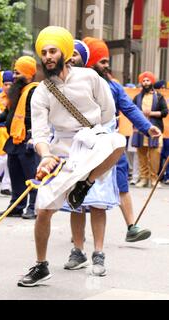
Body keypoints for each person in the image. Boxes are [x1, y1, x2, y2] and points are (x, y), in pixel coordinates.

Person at [17, 26, 127, 287]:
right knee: (43, 209)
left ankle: (85, 184)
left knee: (117, 141)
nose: (48, 56)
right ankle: (41, 266)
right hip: (61, 151)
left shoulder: (90, 77)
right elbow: (41, 134)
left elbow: (108, 114)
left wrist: (92, 138)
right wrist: (45, 156)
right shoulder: (41, 91)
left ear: (65, 52)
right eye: (43, 52)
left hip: (93, 143)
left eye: (53, 51)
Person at [82, 38, 161, 242]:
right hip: (86, 145)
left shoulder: (114, 87)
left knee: (121, 181)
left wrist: (147, 127)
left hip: (112, 145)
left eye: (107, 61)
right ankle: (78, 234)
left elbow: (129, 108)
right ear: (90, 62)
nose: (107, 65)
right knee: (82, 186)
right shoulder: (78, 85)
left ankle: (132, 227)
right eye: (102, 61)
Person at [0, 56, 40, 219]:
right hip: (14, 140)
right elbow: (8, 112)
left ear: (28, 74)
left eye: (18, 73)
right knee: (15, 175)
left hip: (27, 140)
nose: (14, 76)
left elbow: (39, 116)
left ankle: (32, 207)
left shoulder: (34, 91)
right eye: (14, 72)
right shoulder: (16, 91)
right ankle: (16, 206)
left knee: (31, 176)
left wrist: (34, 136)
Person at [132, 71, 168, 188]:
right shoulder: (137, 97)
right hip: (140, 130)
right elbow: (131, 112)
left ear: (152, 82)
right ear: (141, 83)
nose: (146, 82)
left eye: (148, 80)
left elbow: (165, 112)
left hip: (155, 130)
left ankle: (154, 179)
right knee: (141, 155)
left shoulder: (159, 96)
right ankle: (143, 178)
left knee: (155, 155)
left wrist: (150, 113)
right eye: (143, 80)